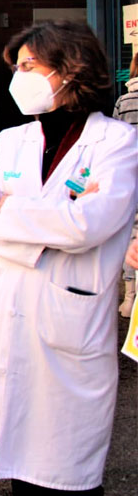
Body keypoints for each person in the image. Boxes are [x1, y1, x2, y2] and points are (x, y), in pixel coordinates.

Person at [0, 22, 138, 496]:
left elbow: (88, 227)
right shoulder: (11, 141)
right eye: (17, 67)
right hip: (6, 315)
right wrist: (45, 224)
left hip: (68, 321)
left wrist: (10, 214)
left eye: (31, 66)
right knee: (20, 467)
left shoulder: (117, 142)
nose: (19, 77)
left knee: (67, 477)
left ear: (70, 70)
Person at [112, 51, 138, 316]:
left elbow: (117, 139)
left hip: (133, 174)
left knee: (133, 234)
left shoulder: (124, 100)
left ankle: (130, 297)